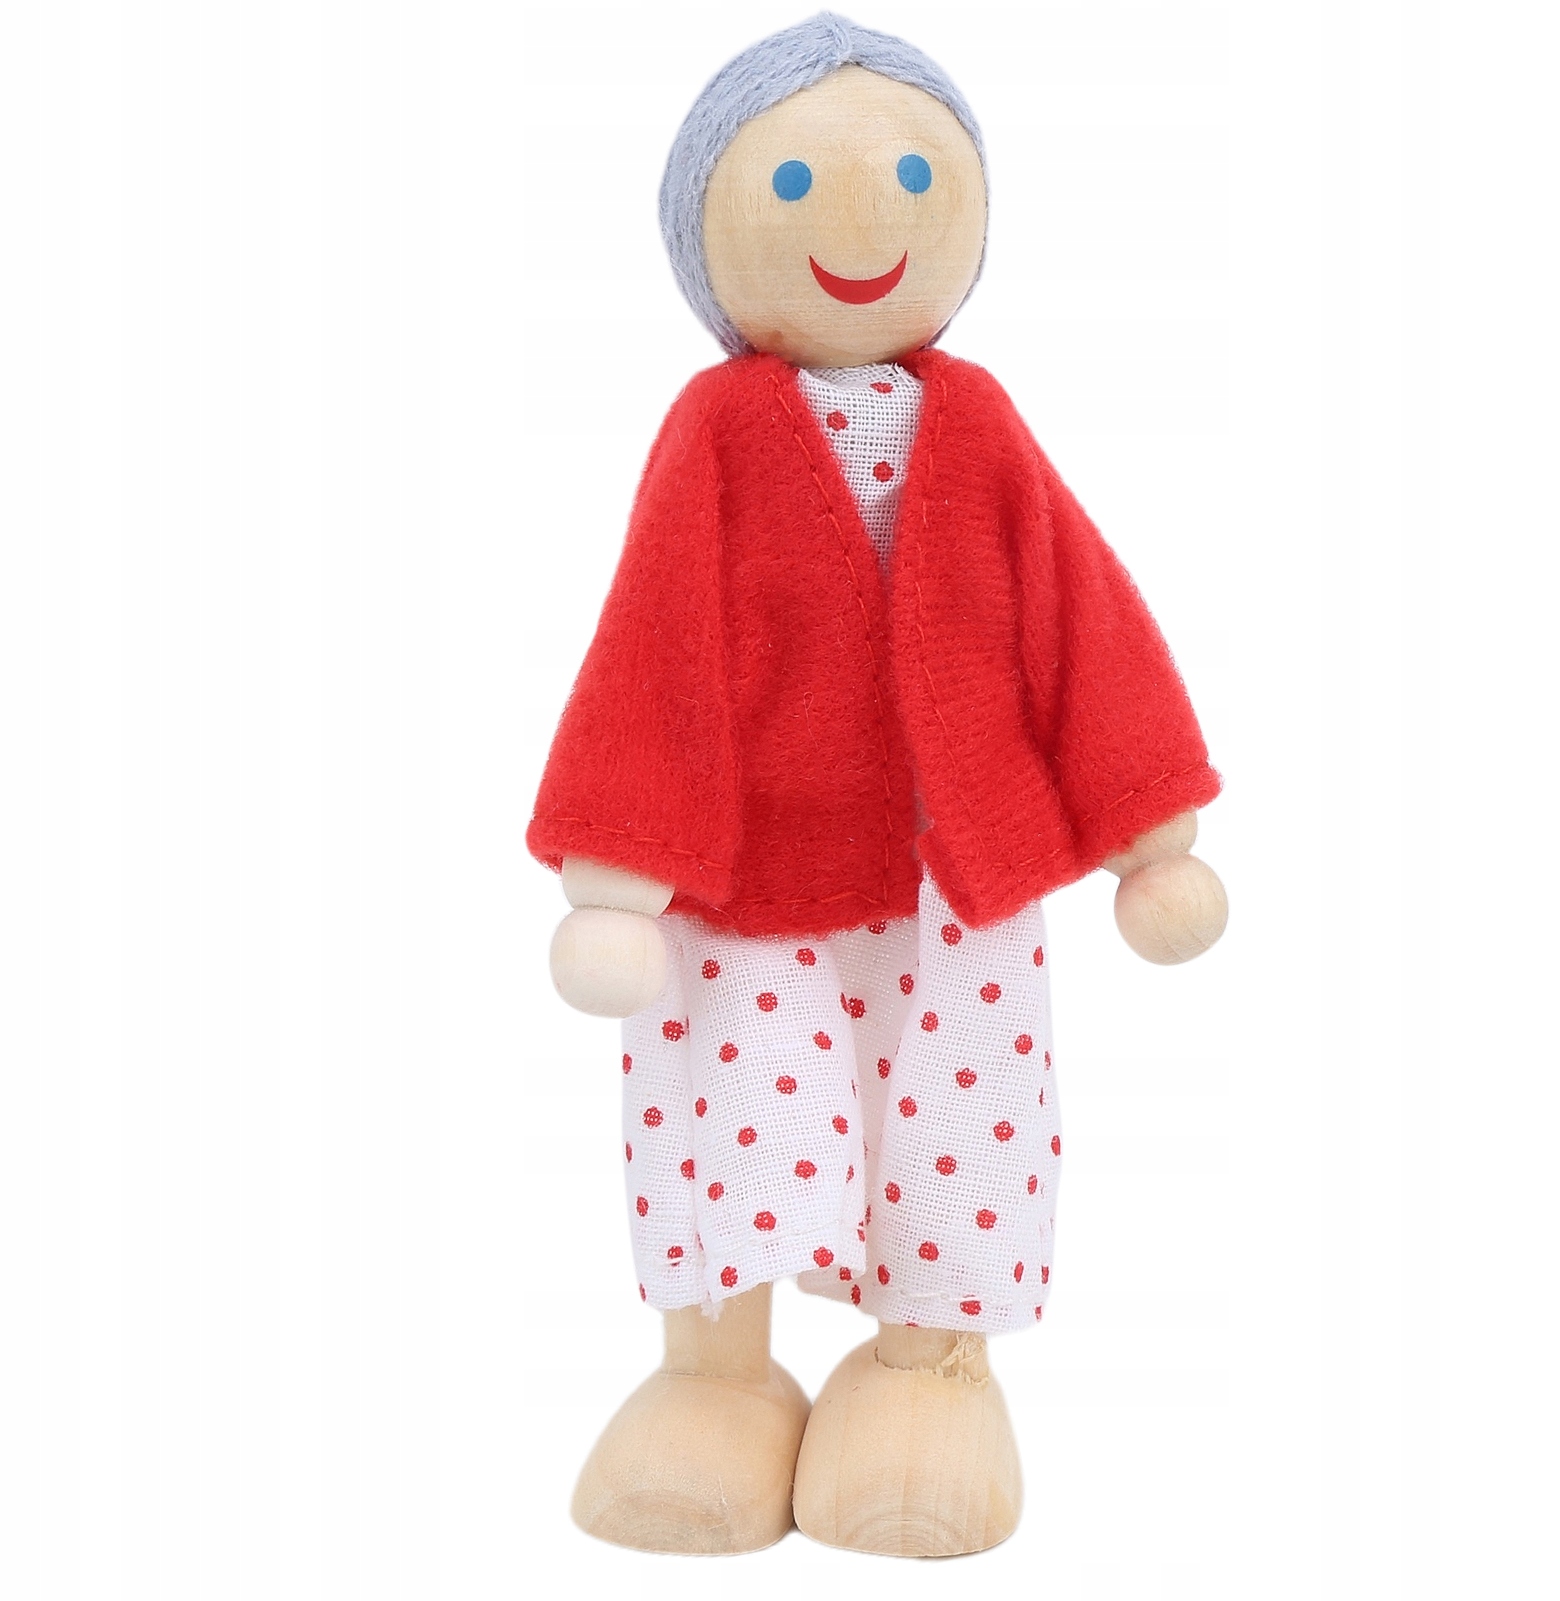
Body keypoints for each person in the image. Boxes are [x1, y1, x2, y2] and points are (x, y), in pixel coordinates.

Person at [528, 12, 1227, 1556]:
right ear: (709, 228)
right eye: (790, 186)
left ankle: (926, 1366)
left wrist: (1147, 827)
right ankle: (716, 1376)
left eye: (915, 175)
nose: (862, 215)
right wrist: (614, 868)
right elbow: (654, 638)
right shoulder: (714, 430)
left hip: (945, 873)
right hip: (747, 882)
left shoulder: (977, 424)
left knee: (950, 1110)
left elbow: (1076, 613)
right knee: (736, 1106)